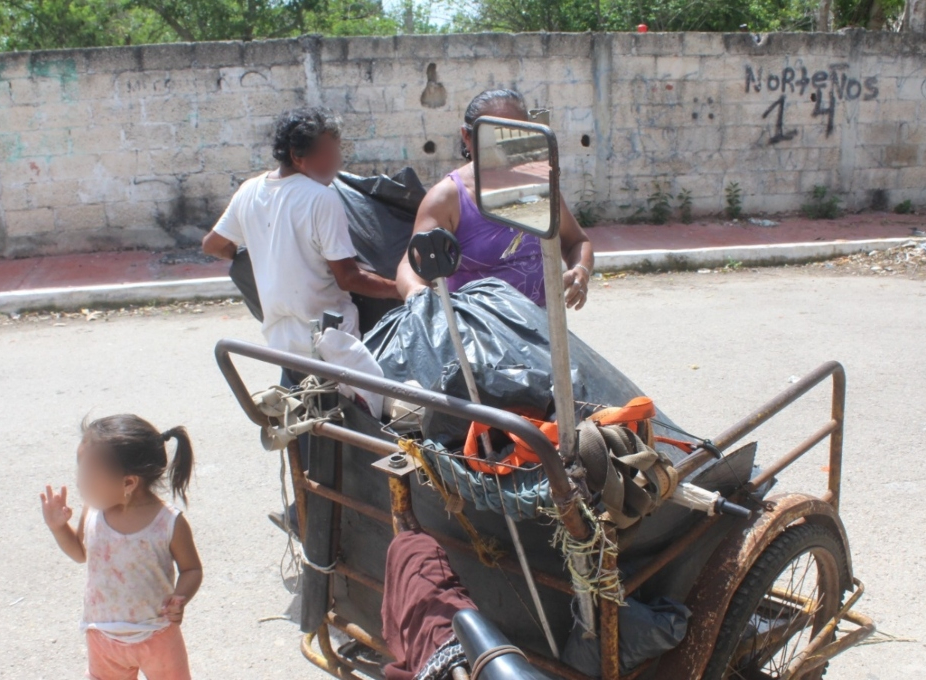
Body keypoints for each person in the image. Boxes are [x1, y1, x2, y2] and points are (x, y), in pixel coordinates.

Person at [202, 107, 400, 368]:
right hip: (332, 339)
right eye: (330, 152)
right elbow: (349, 277)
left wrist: (258, 255)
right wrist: (401, 289)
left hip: (281, 341)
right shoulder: (321, 198)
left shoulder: (249, 191)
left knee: (303, 404)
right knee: (374, 403)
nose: (338, 161)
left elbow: (213, 245)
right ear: (298, 157)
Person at [396, 89, 595, 310]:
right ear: (467, 137)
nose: (504, 148)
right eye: (492, 137)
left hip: (542, 330)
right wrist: (417, 293)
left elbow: (576, 241)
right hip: (478, 333)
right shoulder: (448, 198)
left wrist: (581, 270)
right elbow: (412, 264)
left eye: (514, 136)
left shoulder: (539, 186)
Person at [40, 414, 203, 680]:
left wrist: (180, 597)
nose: (80, 483)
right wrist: (59, 528)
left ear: (128, 483)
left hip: (156, 634)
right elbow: (81, 553)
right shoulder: (93, 512)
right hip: (103, 635)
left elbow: (192, 569)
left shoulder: (168, 523)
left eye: (90, 477)